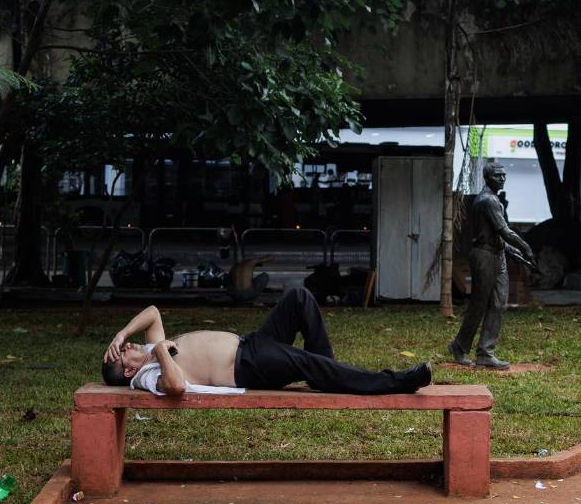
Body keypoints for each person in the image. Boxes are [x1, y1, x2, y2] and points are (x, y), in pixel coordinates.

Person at [101, 287, 432, 395]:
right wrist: (160, 349)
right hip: (248, 368)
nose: (128, 348)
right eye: (122, 353)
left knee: (299, 298)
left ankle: (327, 374)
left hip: (252, 344)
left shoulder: (143, 351)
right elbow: (175, 388)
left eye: (124, 345)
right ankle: (398, 382)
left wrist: (122, 333)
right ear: (127, 372)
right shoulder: (145, 377)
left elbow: (154, 312)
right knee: (311, 364)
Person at [449, 161, 534, 370]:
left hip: (497, 254)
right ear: (488, 178)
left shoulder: (494, 199)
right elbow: (504, 231)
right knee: (480, 303)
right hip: (484, 256)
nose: (502, 178)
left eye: (504, 175)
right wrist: (525, 247)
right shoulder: (487, 200)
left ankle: (486, 352)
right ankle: (460, 346)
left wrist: (513, 252)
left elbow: (497, 236)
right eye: (498, 176)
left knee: (498, 303)